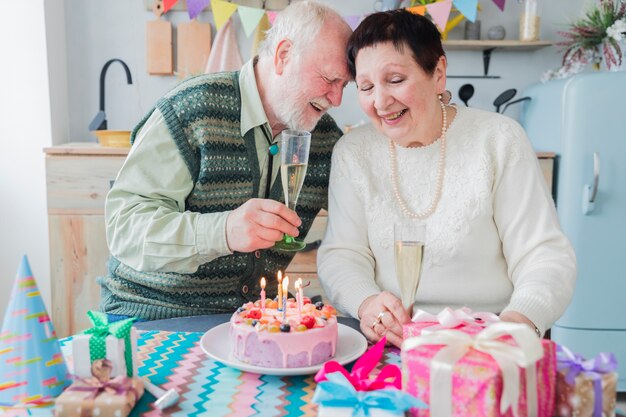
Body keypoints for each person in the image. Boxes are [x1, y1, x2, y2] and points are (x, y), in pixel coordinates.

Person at [317, 10, 576, 348]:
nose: (380, 101)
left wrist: (519, 322)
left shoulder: (498, 139)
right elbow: (342, 254)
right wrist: (366, 302)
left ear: (438, 74)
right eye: (366, 87)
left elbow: (544, 255)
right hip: (390, 342)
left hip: (489, 340)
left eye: (394, 80)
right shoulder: (353, 150)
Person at [99, 2, 352, 321]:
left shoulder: (326, 138)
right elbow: (125, 228)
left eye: (345, 85)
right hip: (155, 311)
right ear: (283, 56)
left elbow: (365, 224)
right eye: (330, 79)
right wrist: (224, 231)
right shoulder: (192, 110)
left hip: (259, 318)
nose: (337, 98)